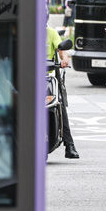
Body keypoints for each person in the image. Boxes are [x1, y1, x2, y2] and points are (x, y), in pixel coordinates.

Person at [46, 25, 80, 158]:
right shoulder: (24, 30)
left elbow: (61, 50)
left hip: (46, 77)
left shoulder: (51, 33)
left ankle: (69, 145)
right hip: (26, 76)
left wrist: (64, 59)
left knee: (59, 104)